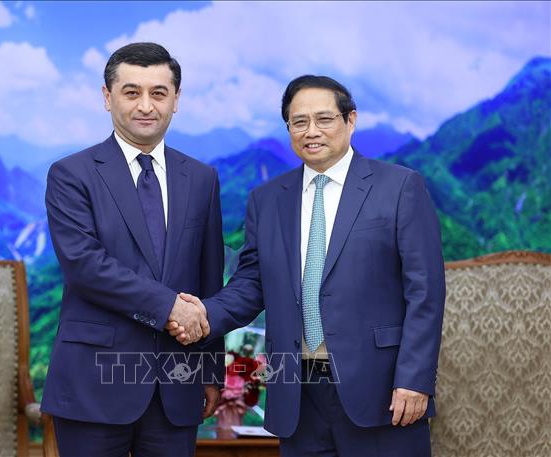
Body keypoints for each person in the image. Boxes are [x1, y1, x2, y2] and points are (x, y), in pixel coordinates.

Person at [168, 75, 445, 456]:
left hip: (382, 392)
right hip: (298, 396)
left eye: (324, 119)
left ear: (350, 120)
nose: (311, 131)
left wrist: (414, 379)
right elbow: (252, 283)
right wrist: (202, 314)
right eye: (299, 122)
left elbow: (426, 291)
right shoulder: (267, 199)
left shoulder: (399, 187)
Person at [41, 42, 225, 457]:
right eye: (131, 92)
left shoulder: (201, 178)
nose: (146, 105)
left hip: (177, 383)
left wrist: (211, 369)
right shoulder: (71, 174)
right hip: (93, 383)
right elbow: (86, 267)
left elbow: (209, 278)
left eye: (158, 93)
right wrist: (169, 306)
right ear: (107, 97)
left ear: (176, 100)